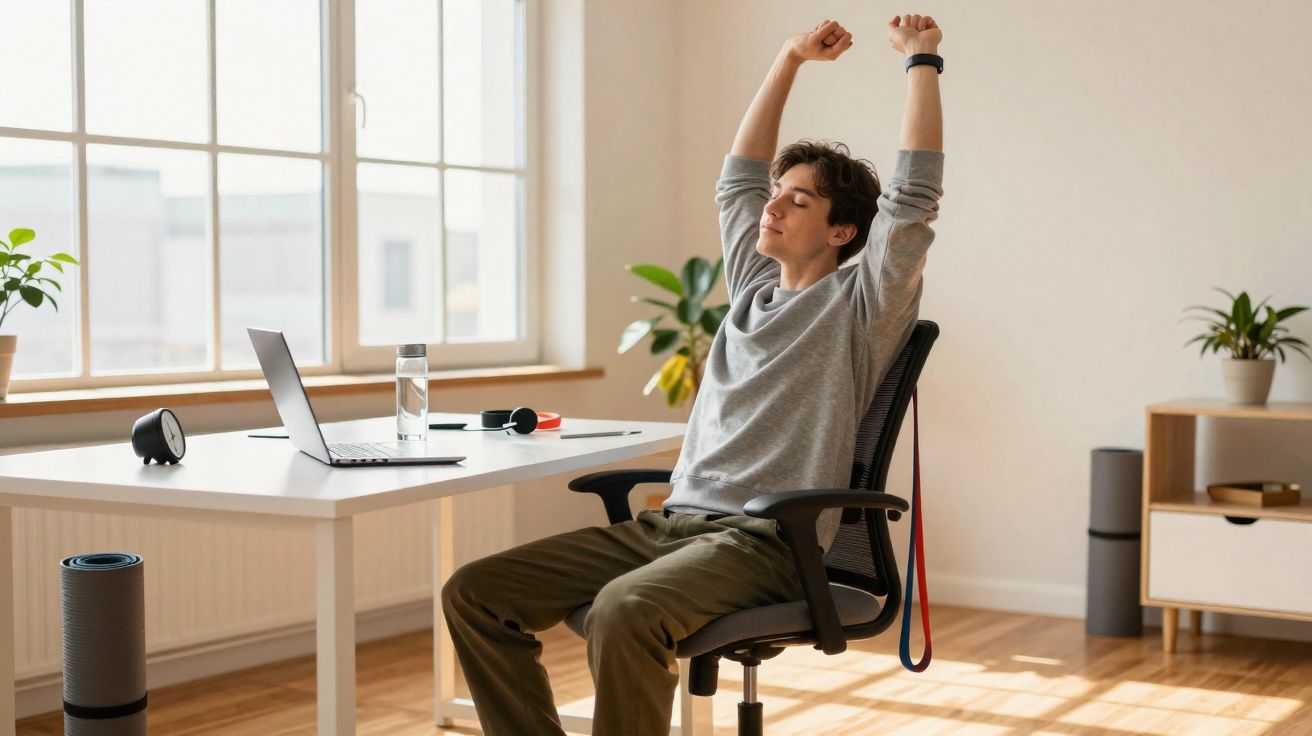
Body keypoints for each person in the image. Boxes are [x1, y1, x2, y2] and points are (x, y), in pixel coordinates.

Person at [441, 14, 945, 736]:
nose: (773, 205)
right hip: (671, 525)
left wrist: (922, 60)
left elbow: (913, 198)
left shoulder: (861, 306)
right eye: (778, 192)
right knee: (475, 593)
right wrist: (788, 58)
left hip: (766, 542)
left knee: (623, 610)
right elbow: (738, 180)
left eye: (799, 200)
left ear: (842, 233)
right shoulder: (751, 290)